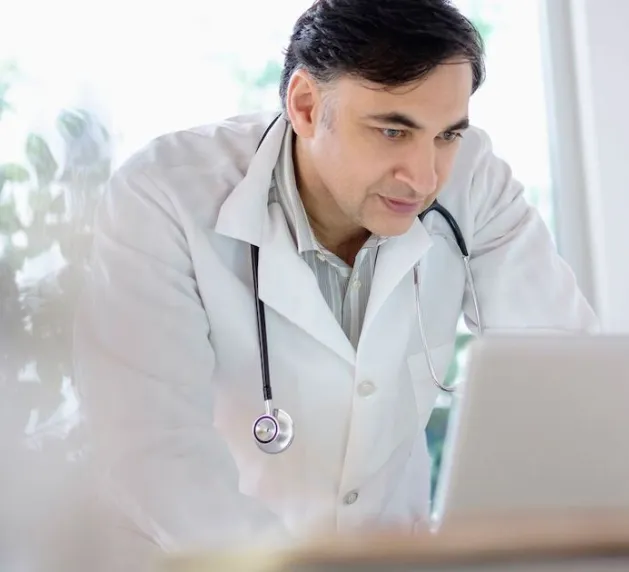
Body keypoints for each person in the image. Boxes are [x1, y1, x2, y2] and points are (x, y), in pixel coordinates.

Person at [72, 0, 596, 564]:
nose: (423, 177)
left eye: (447, 135)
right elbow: (154, 449)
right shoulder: (165, 196)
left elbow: (566, 378)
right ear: (304, 105)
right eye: (393, 130)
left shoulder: (474, 182)